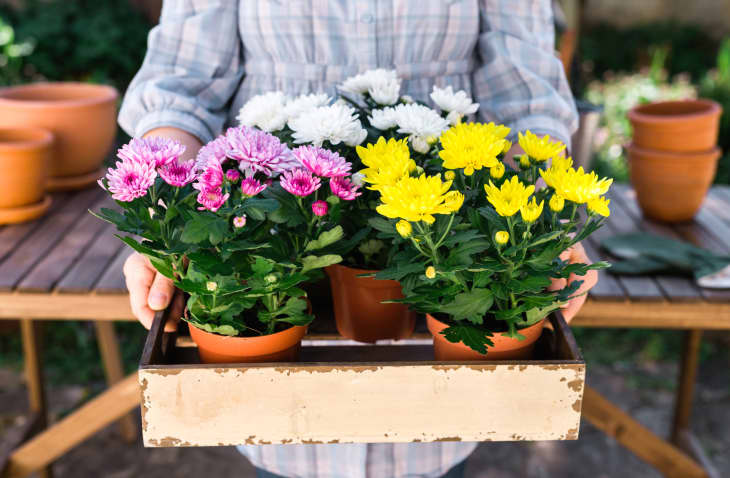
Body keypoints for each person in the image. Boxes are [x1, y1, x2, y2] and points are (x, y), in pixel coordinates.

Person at [119, 1, 598, 477]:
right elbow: (179, 90)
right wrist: (163, 213)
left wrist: (540, 223)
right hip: (271, 248)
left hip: (441, 253)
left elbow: (525, 104)